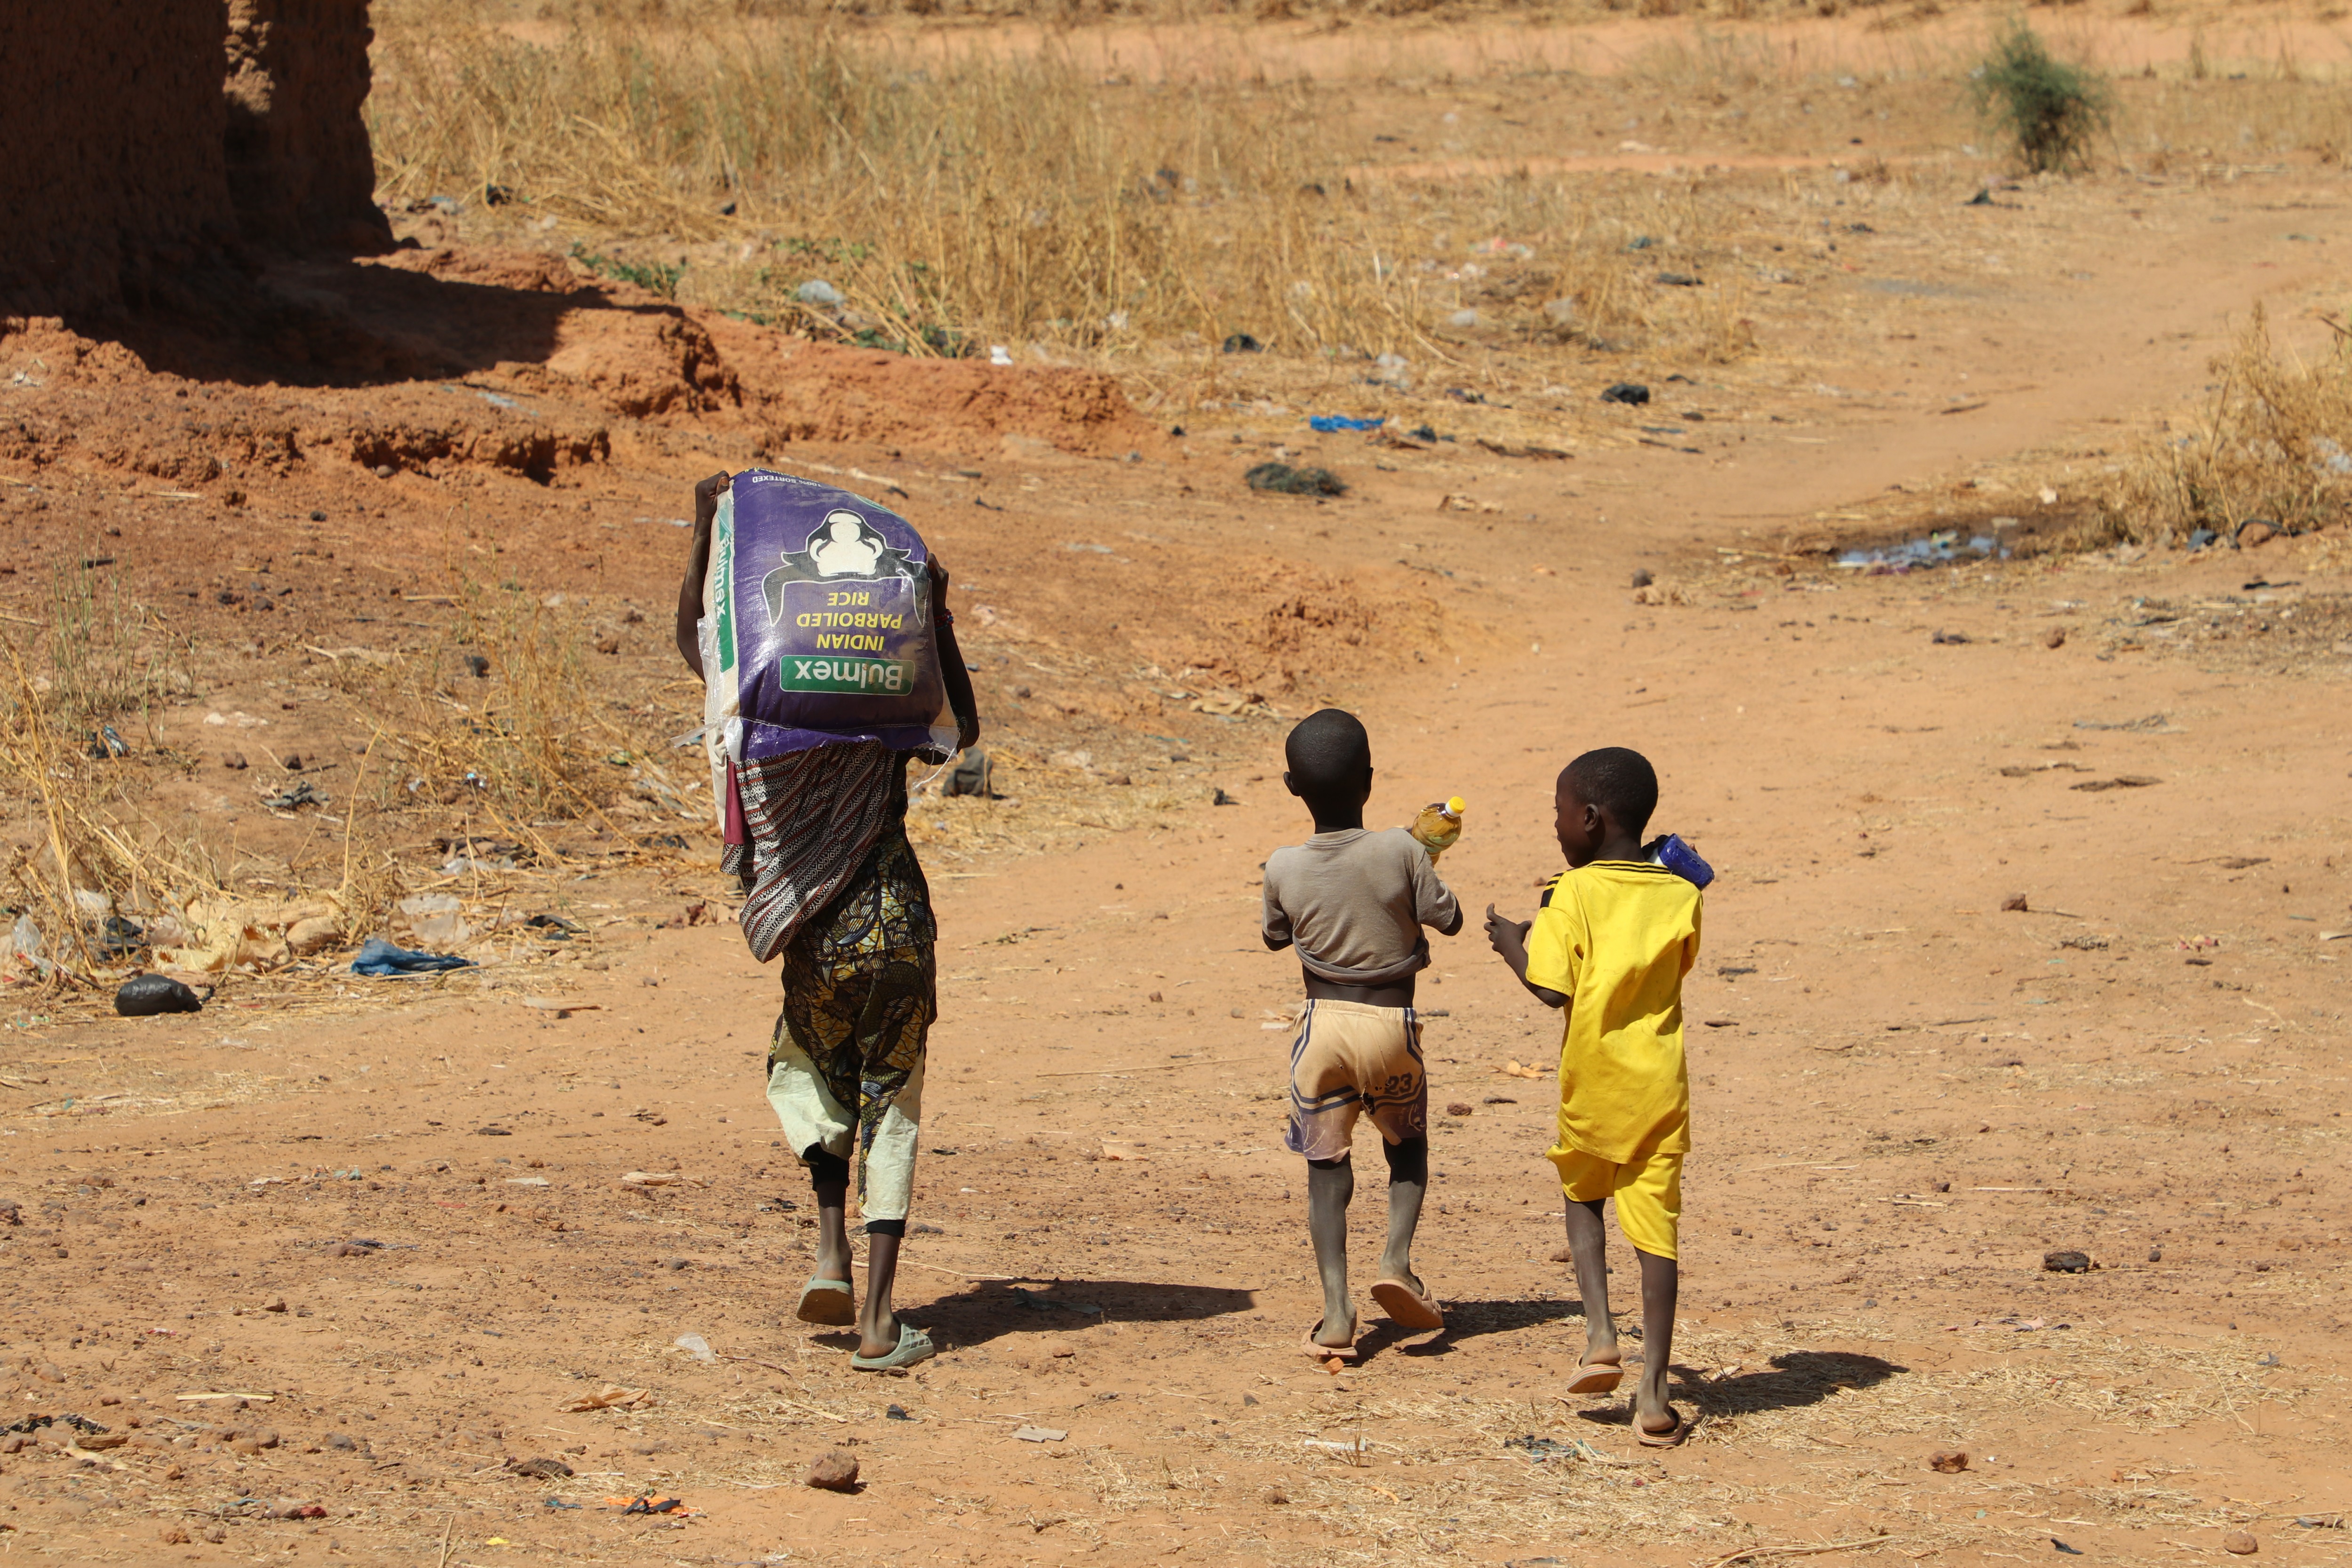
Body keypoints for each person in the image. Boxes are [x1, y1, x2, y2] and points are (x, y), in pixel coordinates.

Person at [675, 470, 980, 1372]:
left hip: (817, 936)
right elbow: (961, 719)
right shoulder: (884, 722)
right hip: (899, 922)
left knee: (811, 1070)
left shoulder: (762, 726)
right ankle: (883, 1320)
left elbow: (703, 647)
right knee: (895, 1105)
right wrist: (940, 615)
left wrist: (704, 528)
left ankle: (828, 1250)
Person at [1484, 747, 1701, 1446]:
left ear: (1589, 817)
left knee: (1584, 1198)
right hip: (1661, 1090)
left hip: (1595, 1086)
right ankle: (1657, 1390)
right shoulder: (1683, 891)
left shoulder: (1572, 892)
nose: (1554, 826)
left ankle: (1602, 1335)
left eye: (1557, 813)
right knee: (1657, 1233)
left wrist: (1512, 940)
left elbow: (1552, 988)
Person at [1260, 709, 1463, 1361]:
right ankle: (1397, 1261)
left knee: (1326, 1166)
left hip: (1321, 1031)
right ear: (1370, 780)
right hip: (1390, 1028)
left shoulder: (1283, 865)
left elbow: (1275, 935)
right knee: (1406, 1148)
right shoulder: (1402, 850)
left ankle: (1336, 1309)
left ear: (1292, 786)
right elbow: (1450, 918)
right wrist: (1424, 858)